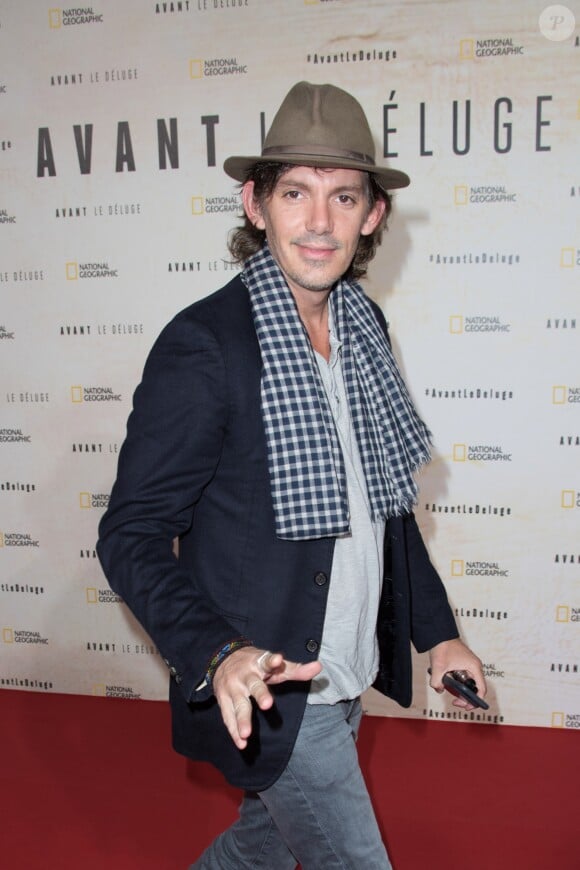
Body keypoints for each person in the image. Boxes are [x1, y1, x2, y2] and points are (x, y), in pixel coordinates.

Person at [97, 81, 486, 869]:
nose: (319, 223)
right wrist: (218, 652)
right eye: (296, 193)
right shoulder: (205, 344)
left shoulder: (364, 326)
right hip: (272, 683)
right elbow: (130, 534)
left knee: (260, 851)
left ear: (373, 214)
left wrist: (438, 632)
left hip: (347, 664)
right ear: (255, 203)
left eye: (343, 197)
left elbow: (384, 503)